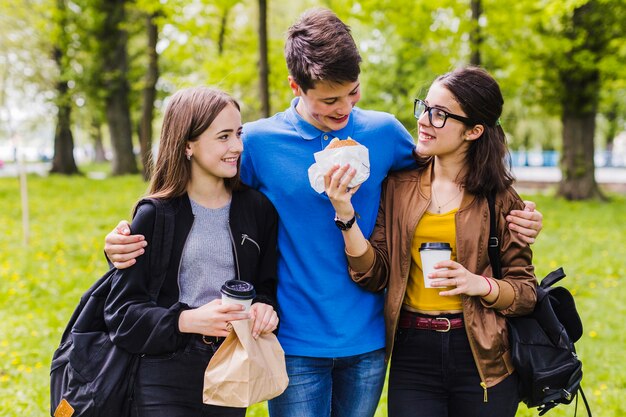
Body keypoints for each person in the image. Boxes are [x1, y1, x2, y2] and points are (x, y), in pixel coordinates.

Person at [103, 9, 543, 417]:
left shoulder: (384, 132)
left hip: (369, 340)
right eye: (330, 100)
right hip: (292, 340)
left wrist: (518, 213)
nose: (344, 108)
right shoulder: (255, 144)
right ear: (297, 87)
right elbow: (196, 195)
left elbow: (452, 171)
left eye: (353, 93)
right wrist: (127, 236)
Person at [324, 66, 537, 417]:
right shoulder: (398, 187)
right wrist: (345, 214)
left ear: (474, 131)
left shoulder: (500, 198)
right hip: (413, 352)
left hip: (483, 355)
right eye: (424, 107)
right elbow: (375, 274)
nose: (424, 120)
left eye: (440, 114)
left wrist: (478, 284)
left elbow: (525, 292)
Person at [104, 87, 280, 417]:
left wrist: (265, 309)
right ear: (188, 144)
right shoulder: (155, 215)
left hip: (230, 367)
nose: (238, 147)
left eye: (239, 134)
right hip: (163, 373)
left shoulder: (258, 210)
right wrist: (187, 319)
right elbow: (122, 315)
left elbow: (266, 288)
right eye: (224, 136)